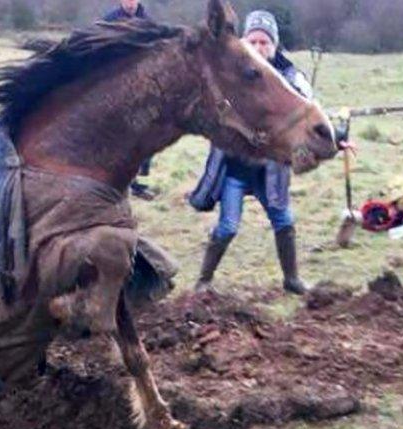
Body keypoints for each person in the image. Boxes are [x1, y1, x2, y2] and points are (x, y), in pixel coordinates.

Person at [191, 10, 347, 296]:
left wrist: (337, 137)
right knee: (227, 226)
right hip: (235, 169)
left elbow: (310, 118)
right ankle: (203, 280)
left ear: (274, 44)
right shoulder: (232, 78)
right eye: (254, 41)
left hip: (271, 171)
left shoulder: (290, 79)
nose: (260, 48)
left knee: (284, 221)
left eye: (265, 42)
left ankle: (292, 279)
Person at [101, 0, 157, 201]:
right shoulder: (110, 20)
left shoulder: (148, 22)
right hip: (115, 84)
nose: (131, 2)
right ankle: (120, 181)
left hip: (140, 85)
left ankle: (134, 178)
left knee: (146, 129)